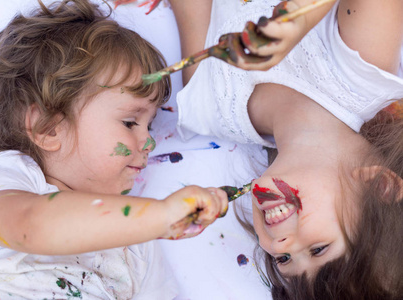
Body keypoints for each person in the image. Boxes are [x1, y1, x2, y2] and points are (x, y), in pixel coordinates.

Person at [0, 0, 229, 299]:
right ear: (48, 128)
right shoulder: (11, 181)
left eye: (149, 125)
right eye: (129, 122)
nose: (148, 142)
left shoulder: (137, 243)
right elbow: (33, 226)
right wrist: (161, 216)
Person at [170, 0, 403, 298]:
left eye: (284, 260)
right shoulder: (363, 68)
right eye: (318, 249)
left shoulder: (208, 109)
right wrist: (300, 16)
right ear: (379, 186)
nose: (279, 245)